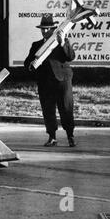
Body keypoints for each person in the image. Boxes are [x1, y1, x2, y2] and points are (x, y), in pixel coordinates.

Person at [24, 13, 76, 147]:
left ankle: (70, 136)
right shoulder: (36, 45)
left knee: (66, 108)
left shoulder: (62, 41)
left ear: (53, 29)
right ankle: (52, 137)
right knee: (48, 110)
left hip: (62, 81)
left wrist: (63, 42)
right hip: (45, 83)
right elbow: (27, 64)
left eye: (48, 28)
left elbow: (70, 57)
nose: (45, 31)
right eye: (43, 29)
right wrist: (32, 64)